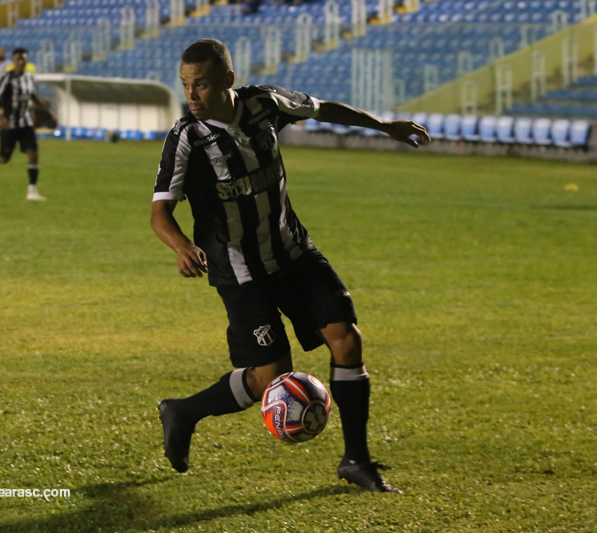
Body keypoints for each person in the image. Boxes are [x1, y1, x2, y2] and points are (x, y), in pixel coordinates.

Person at [151, 39, 430, 493]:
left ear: (227, 78)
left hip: (294, 252)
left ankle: (356, 460)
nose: (192, 95)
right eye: (186, 85)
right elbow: (159, 211)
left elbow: (325, 109)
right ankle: (183, 411)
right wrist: (182, 245)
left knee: (346, 337)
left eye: (200, 84)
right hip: (242, 274)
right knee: (268, 379)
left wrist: (384, 126)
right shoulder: (187, 138)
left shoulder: (264, 103)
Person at [0, 48, 49, 201]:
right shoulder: (7, 78)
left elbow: (33, 95)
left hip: (25, 122)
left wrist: (43, 105)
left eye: (24, 58)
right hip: (9, 123)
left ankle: (32, 191)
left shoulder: (30, 78)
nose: (21, 61)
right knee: (3, 158)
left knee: (33, 153)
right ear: (13, 61)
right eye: (18, 58)